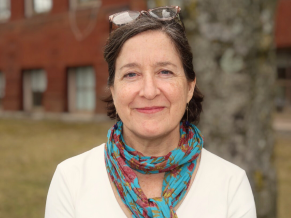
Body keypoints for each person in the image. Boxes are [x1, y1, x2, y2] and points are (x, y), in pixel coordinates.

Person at [45, 6, 256, 218]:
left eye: (165, 72)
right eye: (131, 74)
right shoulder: (71, 180)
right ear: (113, 90)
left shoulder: (230, 185)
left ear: (190, 87)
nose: (149, 91)